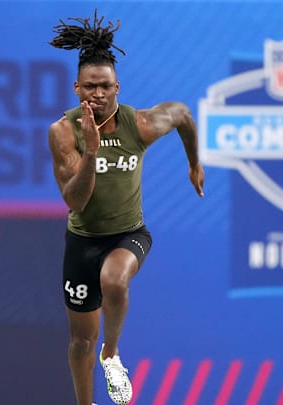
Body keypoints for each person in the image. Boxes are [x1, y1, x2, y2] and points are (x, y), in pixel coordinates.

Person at [47, 10, 205, 405]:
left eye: (104, 87)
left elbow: (183, 114)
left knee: (115, 281)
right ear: (75, 89)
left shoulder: (142, 125)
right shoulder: (63, 132)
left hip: (128, 233)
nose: (96, 95)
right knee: (81, 341)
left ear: (117, 87)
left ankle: (112, 355)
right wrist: (91, 153)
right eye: (88, 88)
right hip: (82, 242)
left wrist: (194, 163)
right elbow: (75, 200)